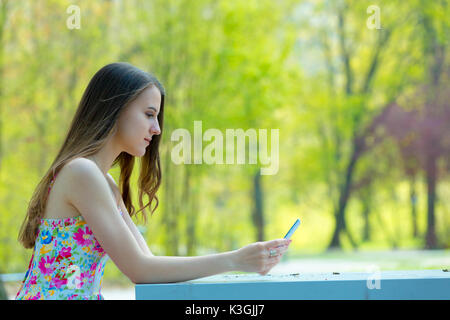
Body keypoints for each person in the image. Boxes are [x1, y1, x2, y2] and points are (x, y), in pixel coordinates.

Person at [15, 62, 291, 300]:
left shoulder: (103, 182)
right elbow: (139, 269)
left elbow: (150, 266)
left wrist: (240, 259)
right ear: (115, 109)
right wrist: (235, 260)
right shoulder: (82, 173)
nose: (156, 128)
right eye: (149, 114)